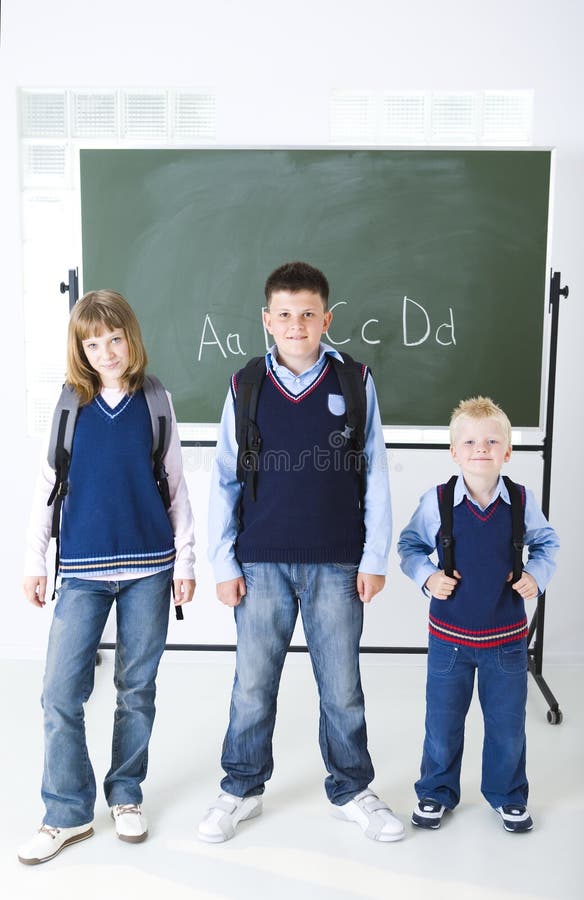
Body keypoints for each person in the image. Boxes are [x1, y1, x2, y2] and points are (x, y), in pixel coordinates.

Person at [198, 260, 404, 844]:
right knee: (252, 683)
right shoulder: (246, 385)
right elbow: (222, 478)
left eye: (307, 314)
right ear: (267, 320)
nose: (296, 324)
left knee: (341, 685)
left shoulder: (354, 381)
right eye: (284, 315)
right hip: (260, 559)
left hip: (337, 558)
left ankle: (352, 789)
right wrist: (222, 561)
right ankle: (240, 790)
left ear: (326, 319)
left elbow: (378, 473)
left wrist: (373, 557)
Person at [18, 290, 196, 864]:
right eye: (92, 342)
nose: (106, 351)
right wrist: (33, 559)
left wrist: (186, 563)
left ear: (131, 338)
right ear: (80, 348)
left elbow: (176, 488)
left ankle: (125, 793)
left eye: (114, 338)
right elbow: (50, 488)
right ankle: (66, 813)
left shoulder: (155, 399)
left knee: (135, 689)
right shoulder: (70, 404)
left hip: (150, 567)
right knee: (59, 693)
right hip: (82, 573)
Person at [398, 396, 559, 834]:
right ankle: (435, 791)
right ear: (454, 452)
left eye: (492, 441)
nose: (481, 449)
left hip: (506, 641)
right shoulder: (438, 501)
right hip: (449, 639)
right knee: (442, 723)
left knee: (507, 728)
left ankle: (508, 795)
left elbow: (547, 544)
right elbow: (409, 546)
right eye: (469, 442)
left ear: (508, 451)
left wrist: (536, 576)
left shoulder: (522, 503)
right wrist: (429, 577)